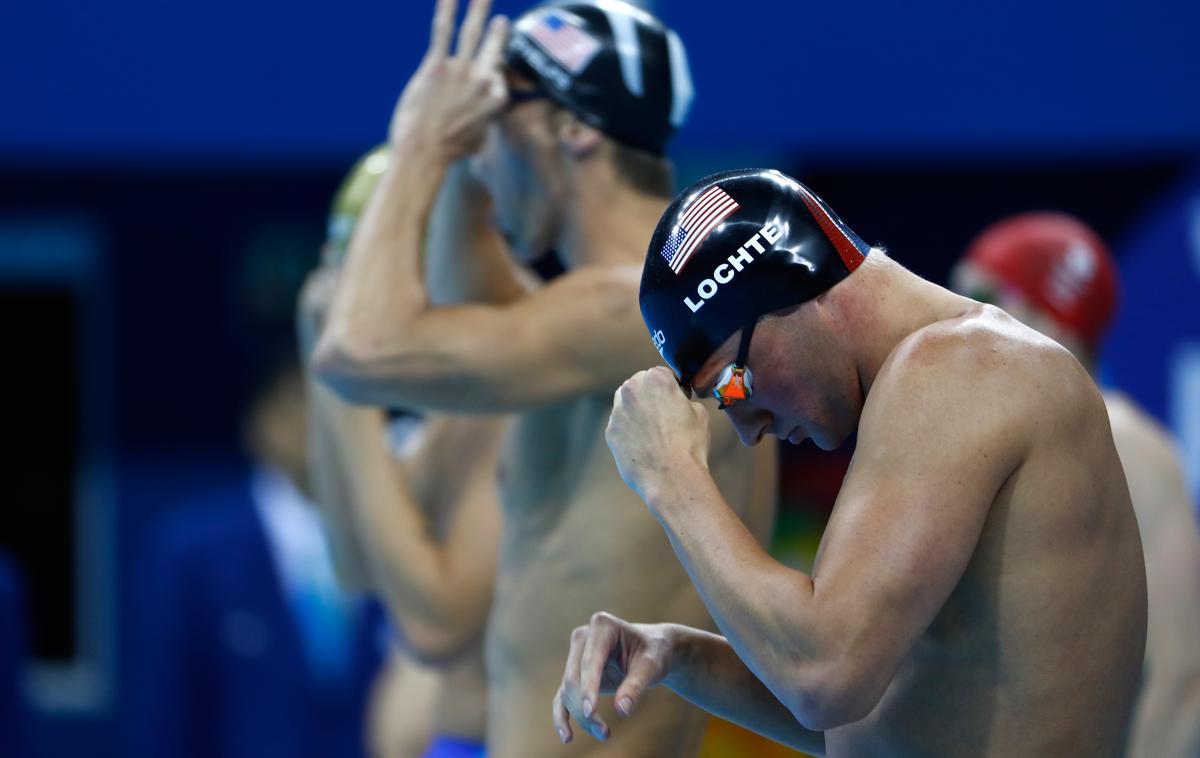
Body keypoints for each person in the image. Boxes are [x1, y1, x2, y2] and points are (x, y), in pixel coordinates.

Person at [313, 1, 778, 755]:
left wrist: (422, 144)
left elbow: (356, 353)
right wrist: (467, 163)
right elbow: (466, 306)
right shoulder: (621, 316)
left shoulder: (629, 306)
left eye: (494, 123)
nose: (482, 156)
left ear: (573, 127)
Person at [554, 168, 1147, 757]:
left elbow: (823, 679)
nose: (748, 428)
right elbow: (869, 724)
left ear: (793, 290)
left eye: (730, 389)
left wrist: (670, 476)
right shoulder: (927, 395)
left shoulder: (964, 369)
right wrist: (678, 655)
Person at [952, 212, 1200, 758]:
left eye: (986, 298)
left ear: (1054, 322)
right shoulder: (993, 445)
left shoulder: (1126, 443)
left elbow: (1182, 680)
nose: (961, 322)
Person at [300, 145, 503, 758]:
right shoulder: (453, 412)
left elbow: (437, 625)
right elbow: (356, 565)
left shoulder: (512, 397)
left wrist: (346, 370)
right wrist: (331, 381)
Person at [127, 356, 385, 758]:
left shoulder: (403, 538)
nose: (329, 421)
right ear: (261, 422)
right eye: (305, 400)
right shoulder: (192, 552)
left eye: (350, 400)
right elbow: (164, 717)